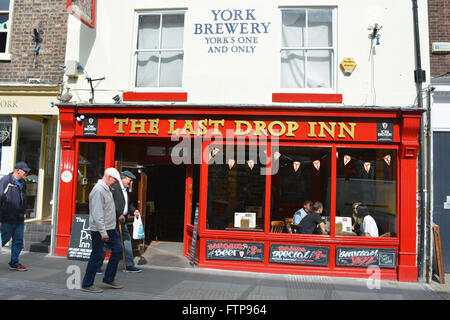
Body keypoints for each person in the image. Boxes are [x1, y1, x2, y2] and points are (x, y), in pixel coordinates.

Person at [81, 168, 124, 293]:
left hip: (110, 228)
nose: (115, 183)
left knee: (118, 250)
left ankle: (108, 278)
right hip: (101, 230)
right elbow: (97, 213)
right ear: (109, 176)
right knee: (97, 255)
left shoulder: (107, 189)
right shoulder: (99, 191)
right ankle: (87, 284)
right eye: (115, 180)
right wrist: (103, 233)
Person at [0, 162, 31, 271]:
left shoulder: (23, 183)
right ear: (18, 170)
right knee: (2, 240)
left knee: (18, 242)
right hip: (7, 219)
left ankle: (14, 263)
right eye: (25, 171)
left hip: (19, 219)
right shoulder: (5, 181)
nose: (26, 173)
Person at [110, 170, 142, 273]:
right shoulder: (114, 188)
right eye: (130, 180)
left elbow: (129, 204)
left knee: (127, 240)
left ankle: (129, 265)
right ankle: (97, 266)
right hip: (112, 220)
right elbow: (109, 204)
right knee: (105, 243)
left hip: (122, 221)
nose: (131, 182)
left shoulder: (126, 190)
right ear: (123, 178)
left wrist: (134, 211)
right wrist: (117, 215)